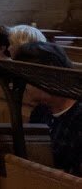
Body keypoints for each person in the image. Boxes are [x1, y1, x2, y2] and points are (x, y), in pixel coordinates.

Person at [13, 42, 82, 176]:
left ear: (48, 76)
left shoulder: (79, 115)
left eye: (25, 78)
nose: (23, 85)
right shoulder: (40, 112)